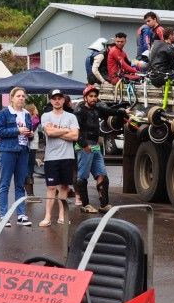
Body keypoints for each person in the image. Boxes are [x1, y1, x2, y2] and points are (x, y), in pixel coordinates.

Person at [39, 89, 79, 227]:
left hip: (67, 157)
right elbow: (49, 132)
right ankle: (47, 217)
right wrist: (67, 130)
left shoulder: (71, 117)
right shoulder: (46, 116)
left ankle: (62, 216)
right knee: (50, 187)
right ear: (51, 100)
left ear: (63, 100)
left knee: (64, 187)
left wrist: (57, 132)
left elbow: (75, 136)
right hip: (51, 157)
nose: (57, 101)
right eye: (54, 98)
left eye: (59, 98)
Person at [0, 86, 33, 226]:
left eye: (23, 96)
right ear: (11, 98)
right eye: (18, 96)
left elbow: (29, 132)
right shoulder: (5, 113)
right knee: (4, 184)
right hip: (8, 150)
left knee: (20, 185)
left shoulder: (27, 114)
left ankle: (21, 215)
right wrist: (17, 130)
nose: (21, 98)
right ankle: (4, 215)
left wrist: (30, 134)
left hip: (23, 150)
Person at [75, 85, 116, 213]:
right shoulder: (79, 111)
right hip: (85, 147)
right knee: (83, 177)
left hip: (95, 147)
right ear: (85, 97)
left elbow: (110, 112)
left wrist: (122, 111)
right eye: (91, 96)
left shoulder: (96, 109)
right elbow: (76, 131)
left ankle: (104, 204)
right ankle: (85, 205)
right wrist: (84, 145)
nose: (94, 98)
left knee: (103, 175)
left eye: (95, 96)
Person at [24, 103, 40, 197]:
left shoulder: (30, 118)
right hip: (31, 146)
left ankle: (30, 193)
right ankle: (30, 194)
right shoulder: (34, 119)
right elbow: (31, 134)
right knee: (29, 169)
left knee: (29, 168)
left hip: (31, 146)